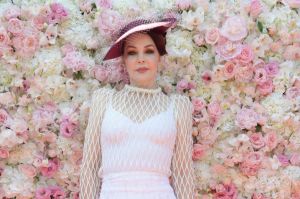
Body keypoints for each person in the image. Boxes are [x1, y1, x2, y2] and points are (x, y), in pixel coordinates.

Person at [79, 17, 196, 199]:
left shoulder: (178, 106)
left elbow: (183, 172)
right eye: (132, 53)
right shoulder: (103, 100)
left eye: (149, 51)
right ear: (124, 60)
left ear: (159, 56)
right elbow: (90, 167)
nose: (141, 59)